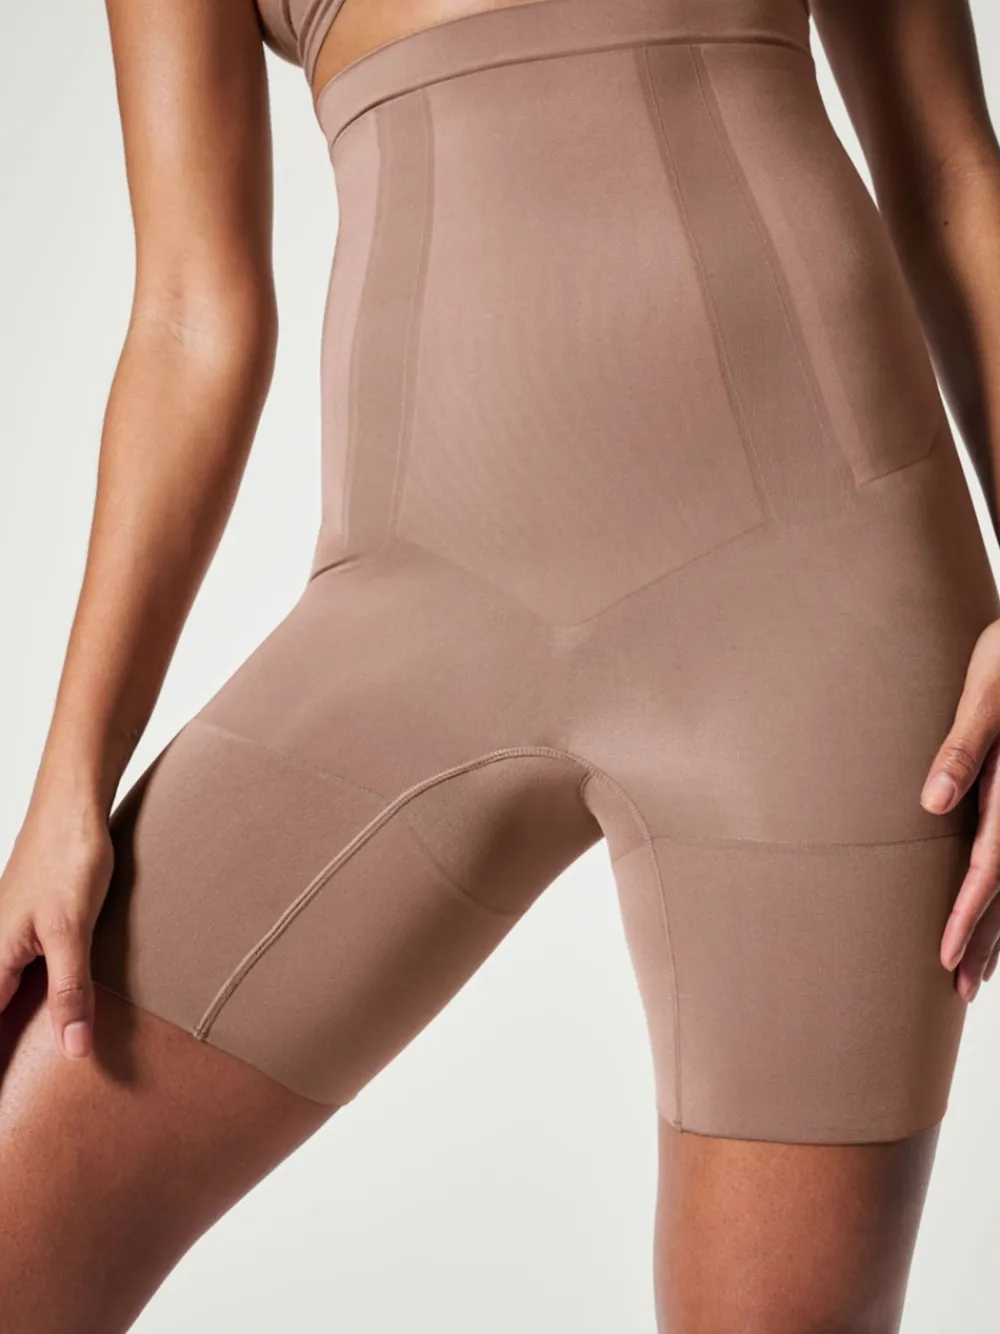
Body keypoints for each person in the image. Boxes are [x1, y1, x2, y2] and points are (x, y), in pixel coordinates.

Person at [3, 0, 1000, 1328]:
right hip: (412, 619)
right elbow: (191, 312)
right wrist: (67, 783)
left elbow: (949, 173)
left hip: (823, 603)